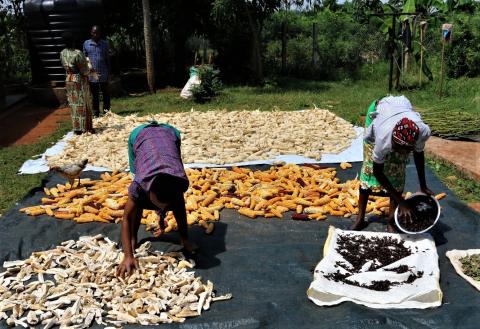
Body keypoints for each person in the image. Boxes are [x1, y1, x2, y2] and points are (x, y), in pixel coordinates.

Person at [117, 122, 196, 278]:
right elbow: (126, 218)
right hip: (139, 136)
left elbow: (180, 210)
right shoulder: (139, 185)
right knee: (137, 205)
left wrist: (185, 239)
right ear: (148, 191)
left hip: (170, 133)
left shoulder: (177, 184)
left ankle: (184, 238)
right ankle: (133, 237)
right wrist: (127, 256)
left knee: (176, 204)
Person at [350, 95, 433, 232]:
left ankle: (391, 221)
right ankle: (360, 219)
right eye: (400, 149)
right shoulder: (382, 138)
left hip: (400, 110)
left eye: (408, 150)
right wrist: (402, 202)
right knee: (368, 171)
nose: (404, 153)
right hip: (380, 112)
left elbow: (419, 154)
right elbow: (377, 172)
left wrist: (423, 185)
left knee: (398, 172)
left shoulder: (421, 132)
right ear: (393, 142)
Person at [60, 32, 94, 134]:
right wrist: (90, 69)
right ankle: (85, 128)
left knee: (73, 104)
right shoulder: (78, 53)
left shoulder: (62, 53)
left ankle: (77, 129)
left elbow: (65, 65)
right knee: (83, 103)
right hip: (79, 80)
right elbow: (84, 71)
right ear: (73, 41)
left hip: (69, 79)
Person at [83, 25, 110, 117]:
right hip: (92, 74)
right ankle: (96, 113)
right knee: (95, 96)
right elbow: (85, 58)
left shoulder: (104, 44)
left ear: (100, 33)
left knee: (106, 94)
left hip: (103, 73)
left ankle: (107, 112)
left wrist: (109, 72)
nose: (96, 34)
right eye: (94, 32)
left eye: (97, 33)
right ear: (91, 33)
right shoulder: (86, 44)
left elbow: (107, 59)